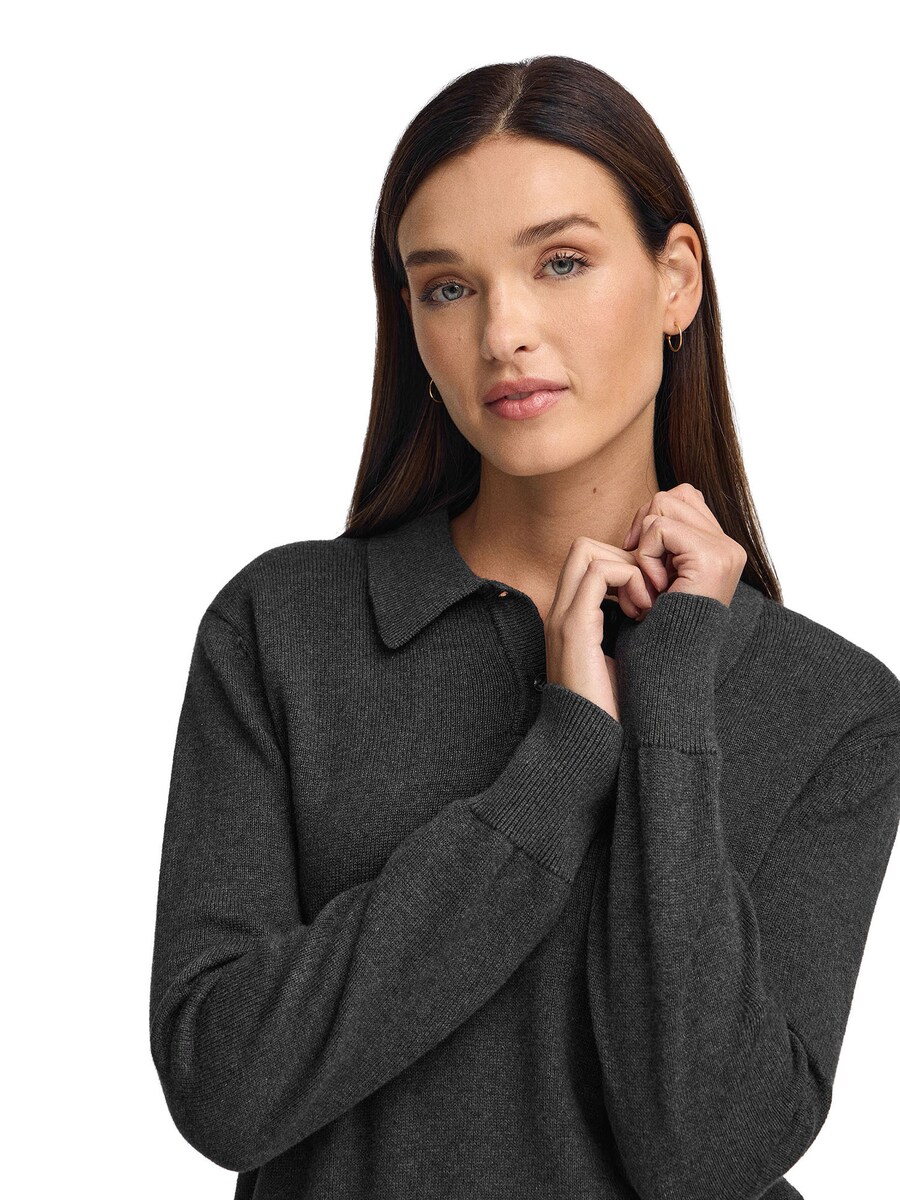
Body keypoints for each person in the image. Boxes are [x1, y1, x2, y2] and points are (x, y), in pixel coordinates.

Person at [149, 55, 900, 1199]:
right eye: (448, 286)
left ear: (676, 280)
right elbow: (226, 1086)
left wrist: (672, 692)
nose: (504, 330)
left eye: (560, 262)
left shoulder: (832, 706)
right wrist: (558, 770)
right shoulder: (285, 629)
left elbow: (709, 1156)